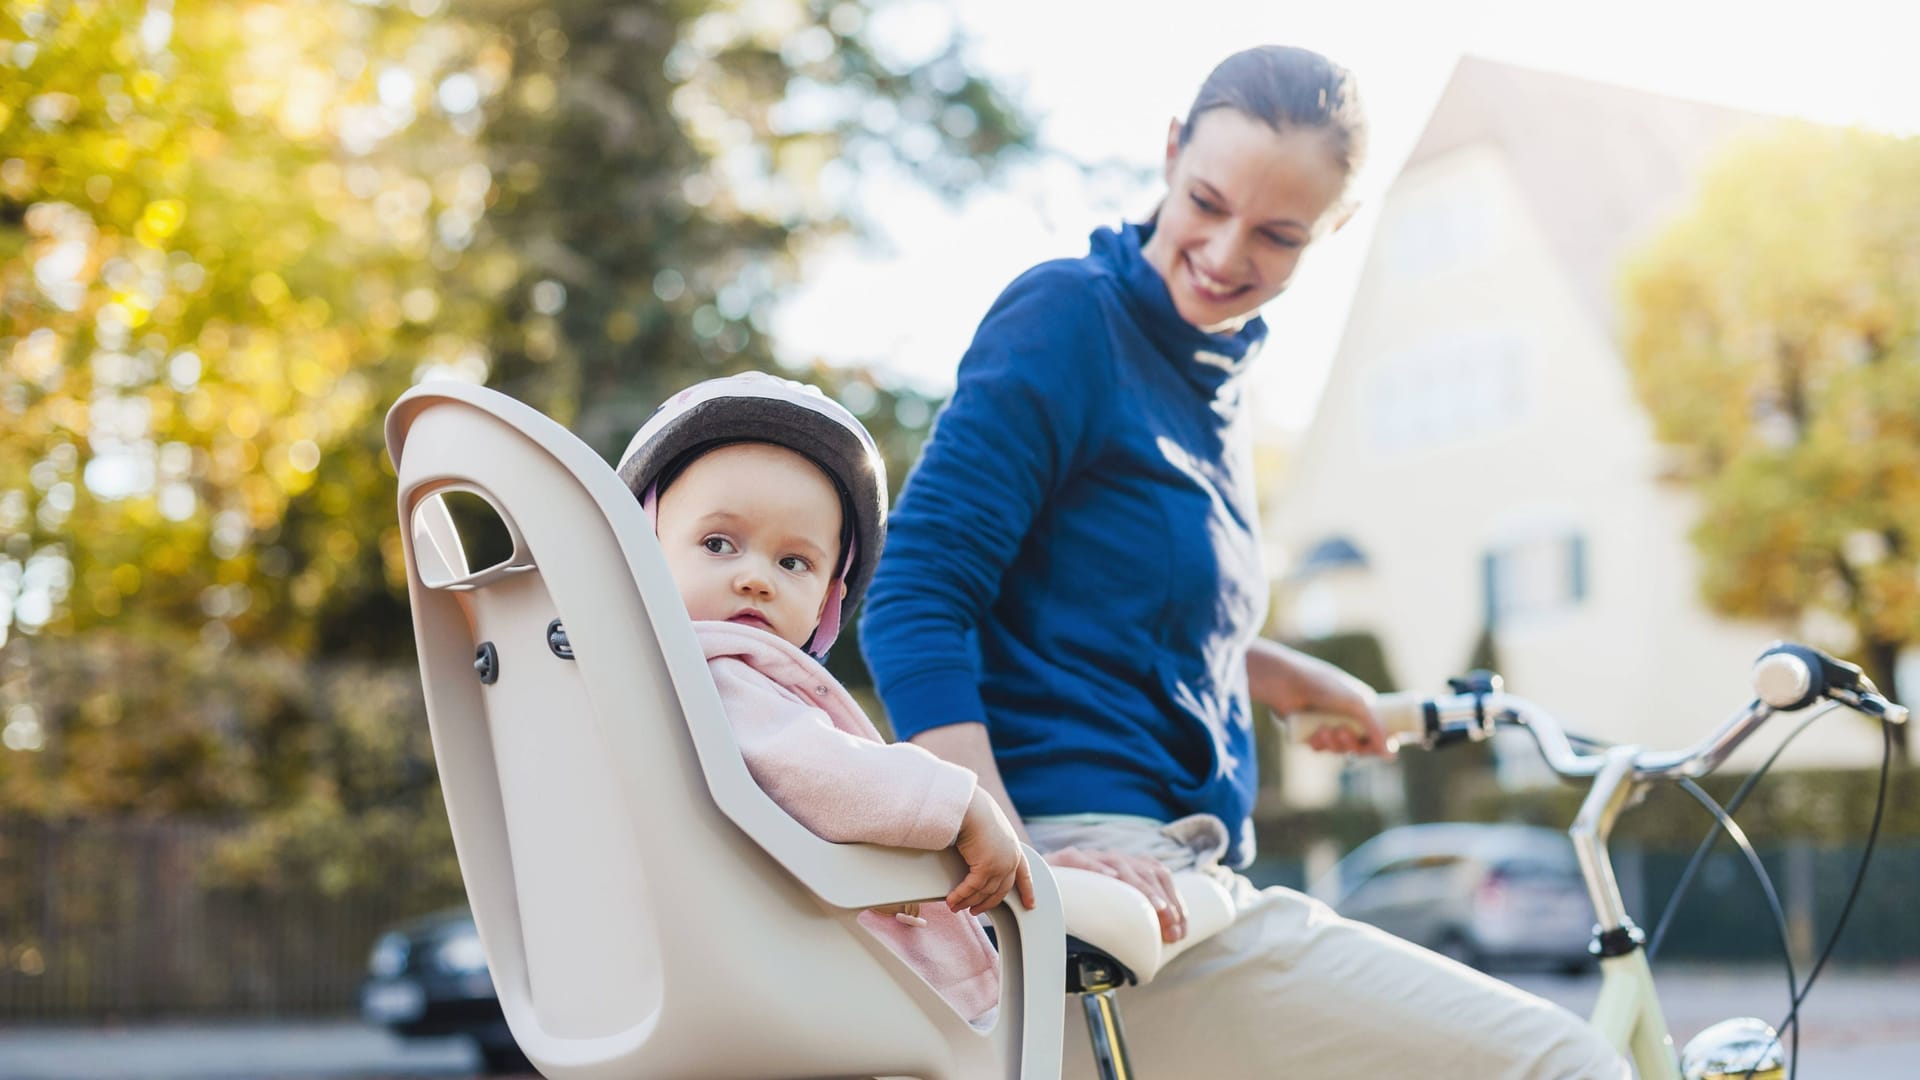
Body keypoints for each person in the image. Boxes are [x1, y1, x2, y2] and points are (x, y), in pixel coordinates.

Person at [860, 46, 1630, 1078]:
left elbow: (1115, 607)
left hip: (1181, 874)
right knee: (1563, 1063)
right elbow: (915, 594)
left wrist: (1290, 676)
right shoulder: (1071, 319)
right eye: (1206, 201)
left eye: (1277, 234)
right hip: (1104, 879)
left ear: (1334, 229)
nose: (1226, 254)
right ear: (1171, 151)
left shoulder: (1212, 385)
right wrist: (1008, 854)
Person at [616, 371, 1034, 1028]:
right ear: (641, 552)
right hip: (776, 989)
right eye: (718, 543)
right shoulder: (713, 674)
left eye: (794, 563)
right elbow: (813, 767)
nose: (755, 578)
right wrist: (961, 806)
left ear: (827, 603)